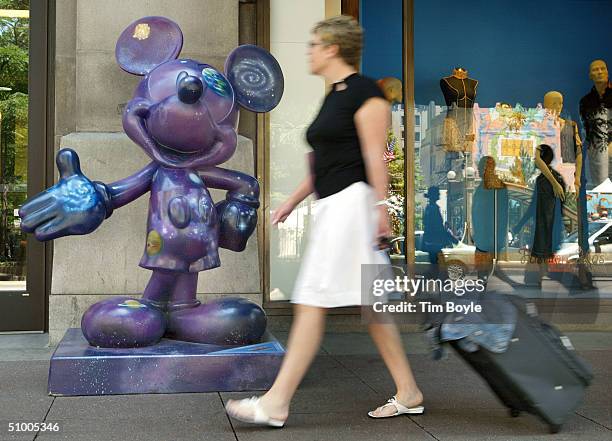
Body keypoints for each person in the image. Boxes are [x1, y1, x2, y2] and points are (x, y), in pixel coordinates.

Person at [225, 15, 423, 427]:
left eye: (314, 44)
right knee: (375, 307)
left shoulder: (366, 95)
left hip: (353, 207)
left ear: (333, 48)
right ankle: (409, 392)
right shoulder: (335, 95)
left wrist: (382, 211)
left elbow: (374, 157)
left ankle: (276, 403)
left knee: (311, 300)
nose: (309, 51)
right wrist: (292, 202)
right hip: (336, 206)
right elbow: (323, 164)